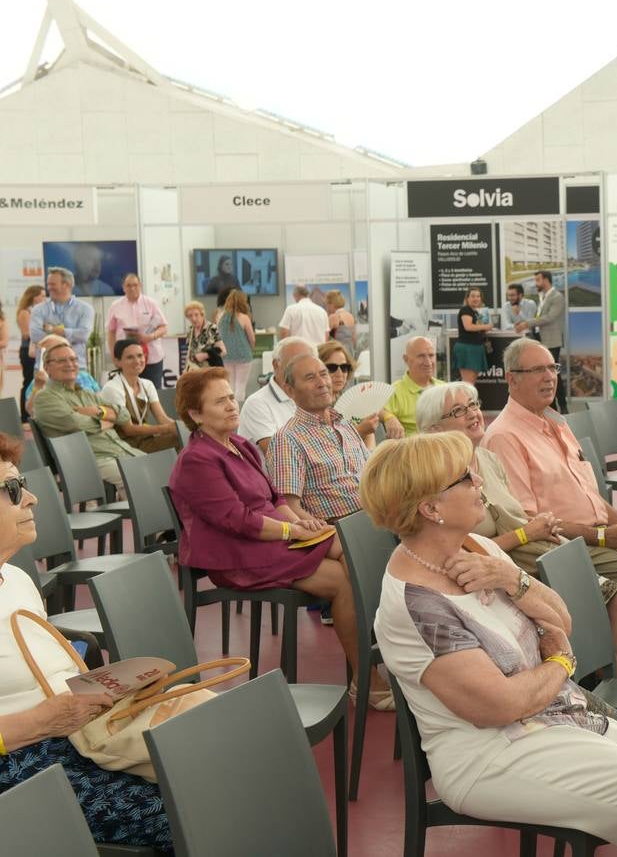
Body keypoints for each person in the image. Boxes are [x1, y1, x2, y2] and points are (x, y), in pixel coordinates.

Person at [366, 433, 617, 856]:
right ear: (431, 509)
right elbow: (500, 705)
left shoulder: (477, 547)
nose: (480, 481)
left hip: (563, 719)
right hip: (494, 757)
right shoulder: (416, 604)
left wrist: (511, 579)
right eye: (466, 477)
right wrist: (560, 660)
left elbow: (562, 619)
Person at [169, 367, 389, 709]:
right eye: (219, 401)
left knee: (353, 548)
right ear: (195, 414)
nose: (231, 405)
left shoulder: (239, 444)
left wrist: (304, 522)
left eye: (231, 397)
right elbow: (237, 521)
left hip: (272, 538)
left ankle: (379, 653)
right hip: (238, 555)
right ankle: (366, 678)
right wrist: (293, 529)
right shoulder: (197, 460)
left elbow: (275, 501)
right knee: (343, 583)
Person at [0, 434, 174, 849]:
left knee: (219, 769)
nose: (32, 499)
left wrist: (107, 689)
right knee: (182, 808)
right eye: (11, 490)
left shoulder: (18, 580)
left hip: (75, 736)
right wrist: (42, 721)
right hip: (19, 762)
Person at [416, 382, 617, 677]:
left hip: (527, 556)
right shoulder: (439, 481)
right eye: (458, 411)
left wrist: (537, 528)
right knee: (609, 602)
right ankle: (604, 687)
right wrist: (526, 533)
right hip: (496, 572)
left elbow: (515, 518)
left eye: (473, 404)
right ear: (433, 430)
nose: (472, 414)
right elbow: (465, 548)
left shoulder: (487, 460)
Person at [480, 338, 617, 626]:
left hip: (599, 537)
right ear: (512, 379)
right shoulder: (504, 436)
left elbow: (592, 498)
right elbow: (529, 521)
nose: (549, 377)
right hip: (564, 548)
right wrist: (602, 536)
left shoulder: (556, 422)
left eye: (552, 368)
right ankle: (613, 655)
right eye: (537, 370)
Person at [265, 353, 369, 526]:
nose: (322, 383)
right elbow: (289, 508)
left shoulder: (344, 424)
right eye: (310, 378)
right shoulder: (287, 439)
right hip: (340, 528)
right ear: (290, 390)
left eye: (323, 374)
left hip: (376, 514)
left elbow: (373, 474)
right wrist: (331, 535)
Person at [32, 342, 144, 485]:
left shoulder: (88, 395)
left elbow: (125, 415)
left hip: (121, 451)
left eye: (73, 359)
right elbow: (76, 424)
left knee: (162, 469)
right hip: (91, 461)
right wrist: (108, 421)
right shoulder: (45, 397)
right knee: (140, 478)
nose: (70, 364)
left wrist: (98, 411)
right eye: (62, 360)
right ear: (47, 367)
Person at [97, 340, 178, 454]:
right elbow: (128, 430)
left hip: (142, 440)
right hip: (123, 445)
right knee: (180, 441)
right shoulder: (112, 388)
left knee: (187, 437)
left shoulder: (147, 384)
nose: (137, 361)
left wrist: (181, 427)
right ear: (117, 362)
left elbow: (162, 419)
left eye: (140, 355)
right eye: (130, 357)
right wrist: (167, 429)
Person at [237, 337, 316, 454]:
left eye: (307, 364)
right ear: (276, 365)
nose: (302, 370)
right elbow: (278, 454)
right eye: (294, 363)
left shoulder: (312, 398)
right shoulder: (258, 403)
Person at [318, 340, 403, 445]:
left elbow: (370, 407)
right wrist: (361, 431)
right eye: (332, 368)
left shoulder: (344, 396)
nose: (340, 373)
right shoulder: (318, 406)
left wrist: (389, 417)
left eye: (344, 367)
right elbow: (327, 447)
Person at [104, 274, 170, 388]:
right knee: (128, 393)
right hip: (126, 358)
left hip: (151, 358)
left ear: (140, 286)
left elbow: (164, 327)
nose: (132, 288)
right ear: (123, 287)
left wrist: (149, 337)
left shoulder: (151, 303)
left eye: (135, 285)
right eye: (128, 285)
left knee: (153, 392)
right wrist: (114, 355)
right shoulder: (115, 306)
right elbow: (111, 332)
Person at [515, 270, 567, 413]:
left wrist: (527, 324)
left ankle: (562, 406)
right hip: (540, 339)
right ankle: (552, 407)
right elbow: (540, 316)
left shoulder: (557, 297)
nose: (535, 283)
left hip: (552, 340)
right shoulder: (543, 297)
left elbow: (549, 317)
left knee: (553, 374)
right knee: (549, 373)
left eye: (538, 279)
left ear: (546, 280)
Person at [29, 268, 94, 373]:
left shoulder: (85, 309)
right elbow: (35, 336)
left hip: (76, 369)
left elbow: (83, 335)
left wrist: (54, 330)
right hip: (45, 369)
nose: (48, 288)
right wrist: (69, 335)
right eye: (48, 284)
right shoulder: (38, 309)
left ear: (67, 285)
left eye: (52, 284)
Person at [385, 336, 444, 435]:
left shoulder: (444, 388)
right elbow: (376, 409)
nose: (428, 362)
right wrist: (388, 417)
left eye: (431, 355)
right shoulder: (394, 391)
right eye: (421, 356)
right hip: (413, 448)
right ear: (406, 359)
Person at [217, 289, 256, 399]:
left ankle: (230, 408)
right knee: (241, 386)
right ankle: (239, 411)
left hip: (226, 355)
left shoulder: (220, 316)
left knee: (230, 385)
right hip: (243, 355)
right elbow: (252, 339)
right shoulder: (244, 317)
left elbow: (218, 337)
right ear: (243, 302)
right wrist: (251, 349)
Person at [16, 285, 45, 422]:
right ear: (34, 297)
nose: (45, 299)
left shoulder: (39, 313)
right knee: (29, 382)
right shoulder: (25, 312)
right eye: (42, 296)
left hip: (39, 351)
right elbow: (27, 334)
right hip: (28, 353)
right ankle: (25, 417)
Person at [454, 288, 493, 385]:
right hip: (468, 348)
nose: (476, 298)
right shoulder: (465, 309)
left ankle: (469, 400)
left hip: (475, 348)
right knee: (468, 384)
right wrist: (486, 326)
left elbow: (478, 327)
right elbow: (468, 327)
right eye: (473, 296)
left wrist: (485, 326)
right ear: (467, 298)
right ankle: (466, 400)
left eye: (478, 296)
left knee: (471, 383)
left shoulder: (478, 312)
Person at [183, 300, 223, 371]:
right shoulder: (191, 330)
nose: (193, 318)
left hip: (210, 370)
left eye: (196, 315)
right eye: (190, 316)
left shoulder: (211, 328)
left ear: (202, 314)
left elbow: (223, 350)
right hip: (195, 370)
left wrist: (205, 355)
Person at [325, 290, 357, 355]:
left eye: (327, 304)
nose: (327, 307)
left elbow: (325, 338)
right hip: (350, 351)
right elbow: (354, 339)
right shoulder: (350, 316)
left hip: (338, 352)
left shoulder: (333, 317)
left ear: (332, 304)